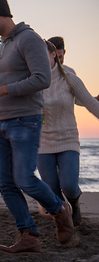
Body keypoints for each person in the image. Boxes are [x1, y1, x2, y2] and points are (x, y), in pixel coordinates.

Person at [0, 0, 73, 254]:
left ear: (2, 15)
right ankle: (29, 236)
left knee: (25, 179)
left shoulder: (30, 39)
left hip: (24, 120)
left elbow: (42, 78)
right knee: (5, 183)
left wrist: (3, 89)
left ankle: (60, 211)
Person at [37, 40, 99, 227]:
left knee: (69, 186)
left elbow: (92, 105)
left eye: (42, 55)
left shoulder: (70, 78)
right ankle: (64, 223)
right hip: (42, 143)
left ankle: (75, 203)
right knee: (53, 191)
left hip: (68, 140)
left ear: (53, 54)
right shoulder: (32, 82)